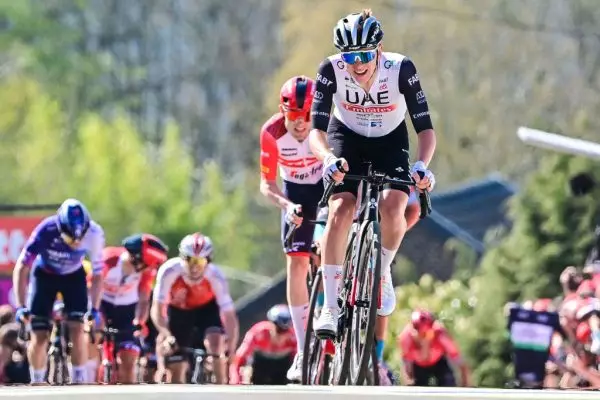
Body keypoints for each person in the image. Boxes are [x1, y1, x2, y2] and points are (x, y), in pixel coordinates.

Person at [308, 9, 436, 342]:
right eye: (350, 56)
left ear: (378, 50)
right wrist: (327, 159)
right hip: (345, 137)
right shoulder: (330, 70)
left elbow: (425, 129)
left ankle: (382, 271)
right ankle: (331, 306)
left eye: (365, 55)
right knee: (341, 209)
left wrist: (422, 166)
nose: (358, 63)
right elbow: (316, 132)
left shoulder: (401, 69)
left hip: (389, 140)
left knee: (393, 207)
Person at [259, 75, 323, 381]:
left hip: (326, 190)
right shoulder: (271, 133)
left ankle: (333, 305)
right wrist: (287, 206)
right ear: (284, 113)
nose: (301, 124)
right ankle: (303, 347)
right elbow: (267, 184)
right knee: (296, 264)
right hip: (295, 194)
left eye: (308, 115)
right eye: (295, 116)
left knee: (328, 248)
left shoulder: (326, 124)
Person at [12, 198, 105, 384]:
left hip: (74, 276)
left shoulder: (94, 233)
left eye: (80, 237)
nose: (76, 242)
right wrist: (21, 305)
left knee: (78, 328)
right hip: (44, 275)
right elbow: (21, 268)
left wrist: (93, 308)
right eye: (71, 238)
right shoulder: (45, 230)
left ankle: (79, 378)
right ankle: (36, 380)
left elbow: (97, 276)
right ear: (60, 228)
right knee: (39, 333)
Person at [150, 232, 239, 384]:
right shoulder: (169, 270)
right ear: (182, 258)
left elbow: (229, 315)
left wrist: (231, 346)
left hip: (206, 309)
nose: (195, 267)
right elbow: (157, 309)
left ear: (209, 261)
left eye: (201, 261)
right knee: (176, 366)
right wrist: (166, 334)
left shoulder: (216, 275)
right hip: (179, 311)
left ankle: (221, 385)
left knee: (216, 344)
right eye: (190, 260)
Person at [93, 233, 169, 384]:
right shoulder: (108, 258)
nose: (148, 269)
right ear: (137, 258)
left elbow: (143, 300)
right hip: (102, 303)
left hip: (127, 309)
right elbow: (93, 286)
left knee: (128, 361)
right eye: (147, 265)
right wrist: (95, 313)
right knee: (94, 335)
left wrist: (139, 321)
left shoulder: (147, 272)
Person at [397, 310, 470, 387]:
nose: (424, 340)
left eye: (428, 335)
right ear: (413, 332)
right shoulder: (406, 338)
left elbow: (460, 362)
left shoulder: (440, 335)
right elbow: (407, 368)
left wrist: (466, 386)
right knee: (414, 386)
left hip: (439, 363)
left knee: (448, 381)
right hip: (417, 366)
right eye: (421, 335)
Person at [229, 304, 297, 385]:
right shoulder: (258, 333)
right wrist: (236, 381)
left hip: (282, 373)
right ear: (270, 324)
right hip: (258, 371)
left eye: (285, 331)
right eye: (278, 330)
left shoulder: (293, 338)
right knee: (247, 370)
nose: (281, 336)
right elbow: (238, 361)